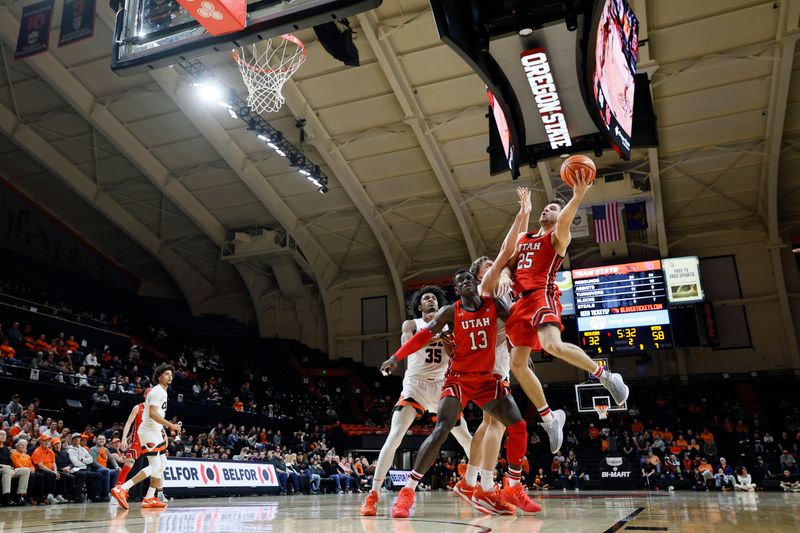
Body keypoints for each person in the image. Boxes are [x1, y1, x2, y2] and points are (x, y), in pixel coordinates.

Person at [383, 268, 542, 518]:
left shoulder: (494, 304)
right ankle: (408, 491)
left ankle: (512, 485)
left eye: (469, 277)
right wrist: (395, 356)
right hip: (457, 379)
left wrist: (522, 353)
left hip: (486, 380)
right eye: (460, 281)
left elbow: (514, 326)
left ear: (475, 282)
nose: (466, 281)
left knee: (519, 425)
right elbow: (423, 336)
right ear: (456, 291)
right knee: (441, 430)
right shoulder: (450, 312)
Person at [452, 188, 565, 514]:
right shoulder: (488, 286)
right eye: (487, 265)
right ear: (478, 275)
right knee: (499, 425)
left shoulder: (494, 289)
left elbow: (512, 256)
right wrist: (523, 212)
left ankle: (471, 483)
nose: (496, 266)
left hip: (489, 360)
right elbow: (507, 249)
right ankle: (484, 487)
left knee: (490, 425)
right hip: (487, 362)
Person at [504, 171, 629, 409]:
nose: (546, 210)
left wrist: (578, 196)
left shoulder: (558, 237)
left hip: (542, 294)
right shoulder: (524, 237)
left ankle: (606, 376)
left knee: (552, 345)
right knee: (517, 363)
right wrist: (503, 276)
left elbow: (563, 222)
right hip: (519, 303)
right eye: (545, 208)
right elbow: (508, 266)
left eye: (552, 208)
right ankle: (549, 418)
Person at [359, 284, 473, 516]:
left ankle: (484, 484)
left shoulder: (451, 324)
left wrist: (449, 342)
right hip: (416, 384)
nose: (431, 300)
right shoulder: (412, 325)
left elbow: (458, 355)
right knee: (395, 436)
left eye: (434, 298)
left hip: (442, 384)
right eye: (426, 298)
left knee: (466, 437)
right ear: (419, 306)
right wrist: (435, 336)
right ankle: (374, 494)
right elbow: (408, 346)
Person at [112, 364, 181, 509]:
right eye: (167, 374)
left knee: (162, 465)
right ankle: (123, 488)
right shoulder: (157, 392)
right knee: (155, 465)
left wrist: (162, 431)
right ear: (159, 376)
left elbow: (157, 415)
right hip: (148, 432)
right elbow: (153, 414)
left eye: (171, 375)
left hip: (155, 431)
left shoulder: (163, 392)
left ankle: (149, 497)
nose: (170, 377)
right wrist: (171, 426)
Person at [118, 390, 149, 488]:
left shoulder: (155, 410)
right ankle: (118, 489)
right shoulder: (137, 407)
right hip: (136, 441)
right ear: (145, 396)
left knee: (156, 467)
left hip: (149, 442)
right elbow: (128, 423)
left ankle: (154, 494)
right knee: (128, 465)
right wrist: (123, 439)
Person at [0, 429, 30, 506]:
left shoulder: (7, 448)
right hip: (1, 468)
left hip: (8, 469)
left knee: (26, 470)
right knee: (7, 470)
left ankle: (19, 496)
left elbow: (10, 462)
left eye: (5, 435)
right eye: (1, 434)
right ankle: (6, 498)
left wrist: (12, 468)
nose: (3, 436)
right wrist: (2, 465)